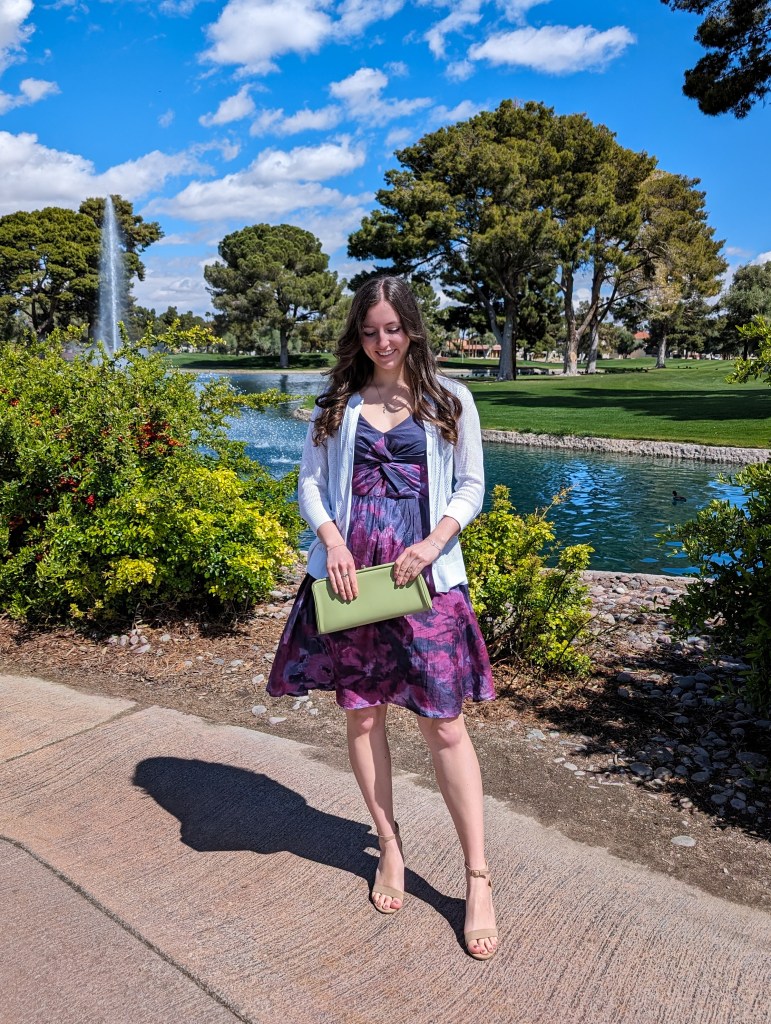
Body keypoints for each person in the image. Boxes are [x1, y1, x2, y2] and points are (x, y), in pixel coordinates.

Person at [267, 276, 498, 961]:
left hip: (425, 576)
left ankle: (477, 878)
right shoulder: (336, 404)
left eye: (392, 329)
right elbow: (311, 483)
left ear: (412, 329)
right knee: (363, 716)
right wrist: (332, 541)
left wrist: (433, 543)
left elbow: (471, 485)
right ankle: (389, 845)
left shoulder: (450, 399)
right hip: (352, 578)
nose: (382, 342)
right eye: (369, 331)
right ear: (357, 335)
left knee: (445, 724)